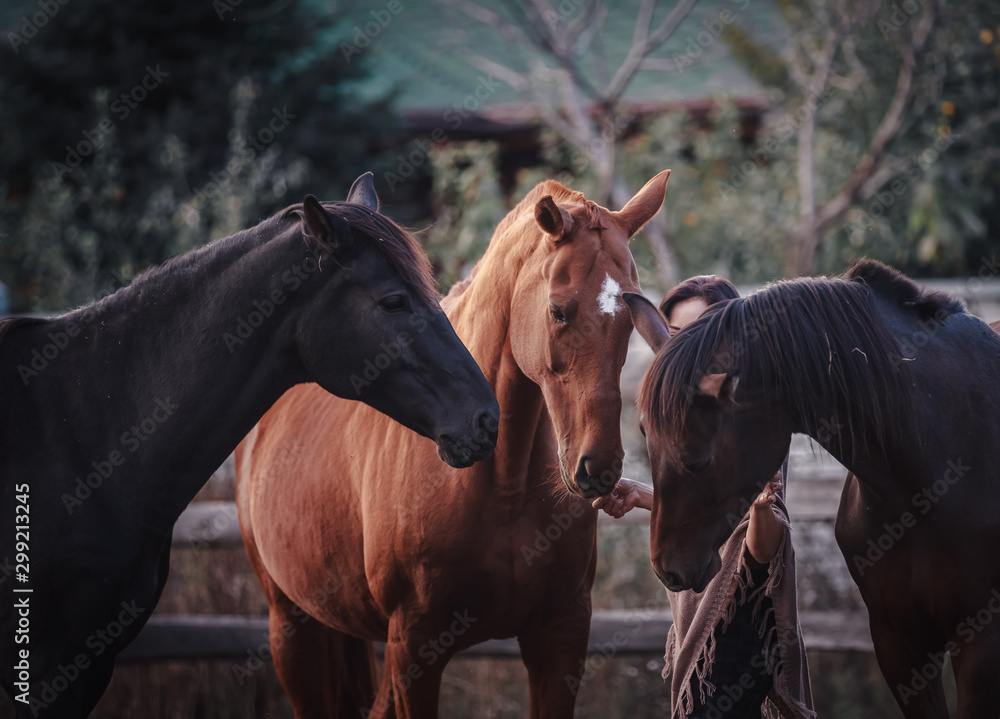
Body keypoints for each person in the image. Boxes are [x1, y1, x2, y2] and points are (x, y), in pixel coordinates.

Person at [597, 275, 814, 719]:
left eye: (698, 336)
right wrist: (643, 495)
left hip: (740, 620)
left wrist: (762, 506)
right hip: (705, 616)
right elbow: (710, 504)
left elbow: (759, 549)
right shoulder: (679, 416)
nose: (685, 353)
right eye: (676, 338)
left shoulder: (747, 414)